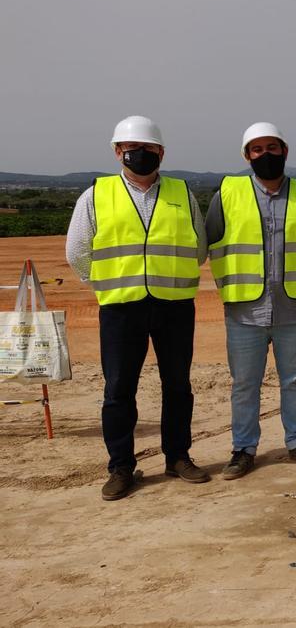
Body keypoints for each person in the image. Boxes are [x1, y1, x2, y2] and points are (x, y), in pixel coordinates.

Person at [65, 115, 209, 500]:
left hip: (174, 304)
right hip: (121, 308)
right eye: (133, 148)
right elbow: (77, 251)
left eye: (149, 148)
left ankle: (178, 457)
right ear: (118, 152)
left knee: (177, 385)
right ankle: (121, 468)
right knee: (118, 389)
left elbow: (198, 248)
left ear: (161, 152)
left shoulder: (182, 192)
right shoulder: (96, 195)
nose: (141, 154)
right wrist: (107, 283)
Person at [206, 123, 296, 480]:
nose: (265, 154)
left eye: (272, 148)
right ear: (247, 156)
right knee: (245, 384)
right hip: (244, 310)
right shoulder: (228, 192)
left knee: (295, 380)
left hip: (294, 308)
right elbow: (210, 242)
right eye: (257, 149)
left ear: (284, 151)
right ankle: (243, 449)